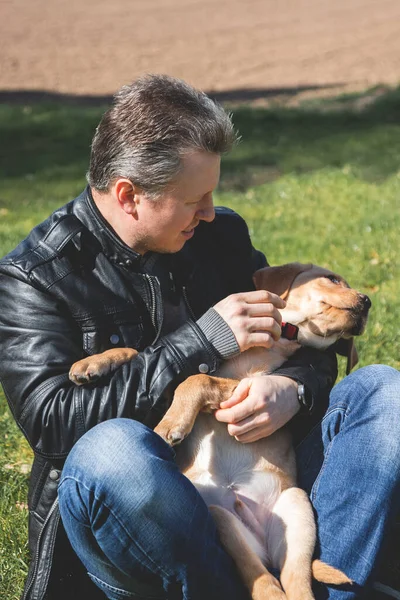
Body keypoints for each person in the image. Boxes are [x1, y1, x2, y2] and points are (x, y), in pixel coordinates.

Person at [0, 74, 398, 600]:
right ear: (129, 195)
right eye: (195, 199)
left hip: (264, 486)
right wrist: (201, 341)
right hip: (149, 511)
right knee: (112, 452)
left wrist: (293, 391)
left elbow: (300, 337)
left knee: (382, 392)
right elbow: (55, 427)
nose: (210, 212)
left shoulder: (220, 236)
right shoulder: (34, 278)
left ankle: (326, 588)